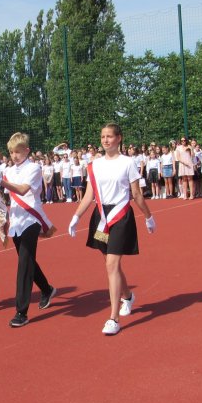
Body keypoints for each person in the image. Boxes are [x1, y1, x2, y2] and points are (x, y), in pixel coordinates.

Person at [67, 123, 156, 336]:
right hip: (101, 217)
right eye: (103, 136)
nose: (106, 140)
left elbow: (136, 194)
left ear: (119, 138)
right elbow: (89, 195)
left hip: (121, 216)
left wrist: (148, 217)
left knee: (111, 264)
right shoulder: (94, 165)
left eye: (109, 136)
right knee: (109, 263)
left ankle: (113, 317)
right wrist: (76, 216)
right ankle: (127, 296)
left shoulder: (128, 162)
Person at [0, 132, 57, 328]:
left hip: (32, 218)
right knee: (28, 259)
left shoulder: (34, 167)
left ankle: (21, 311)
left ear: (27, 150)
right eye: (11, 152)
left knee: (24, 262)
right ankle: (46, 289)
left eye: (18, 152)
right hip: (16, 219)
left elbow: (22, 190)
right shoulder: (8, 170)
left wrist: (0, 181)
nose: (14, 156)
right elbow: (4, 195)